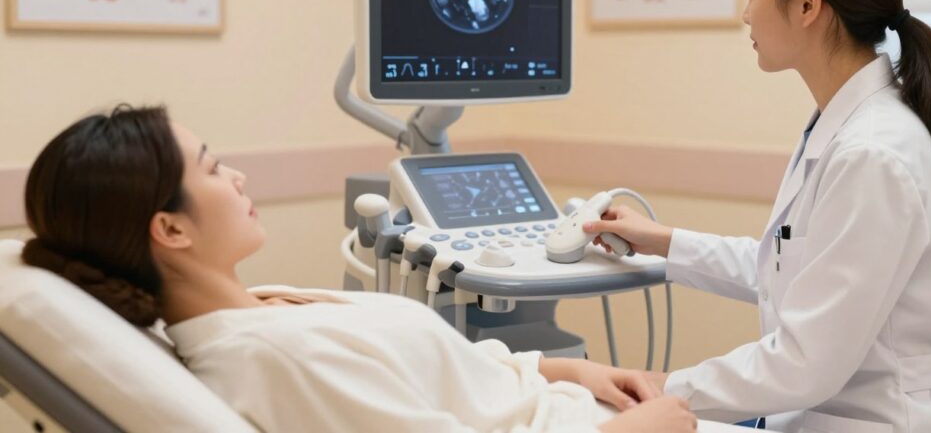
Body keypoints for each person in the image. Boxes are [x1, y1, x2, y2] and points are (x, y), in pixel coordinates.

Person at [21, 105, 696, 433]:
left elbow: (440, 373)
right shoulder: (268, 356)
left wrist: (573, 370)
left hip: (588, 404)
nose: (238, 175)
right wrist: (663, 422)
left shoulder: (260, 306)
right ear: (169, 228)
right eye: (212, 167)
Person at [587, 0, 931, 433]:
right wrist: (663, 240)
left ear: (806, 5)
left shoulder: (872, 153)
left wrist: (660, 388)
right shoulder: (847, 123)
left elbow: (804, 363)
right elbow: (789, 269)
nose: (744, 11)